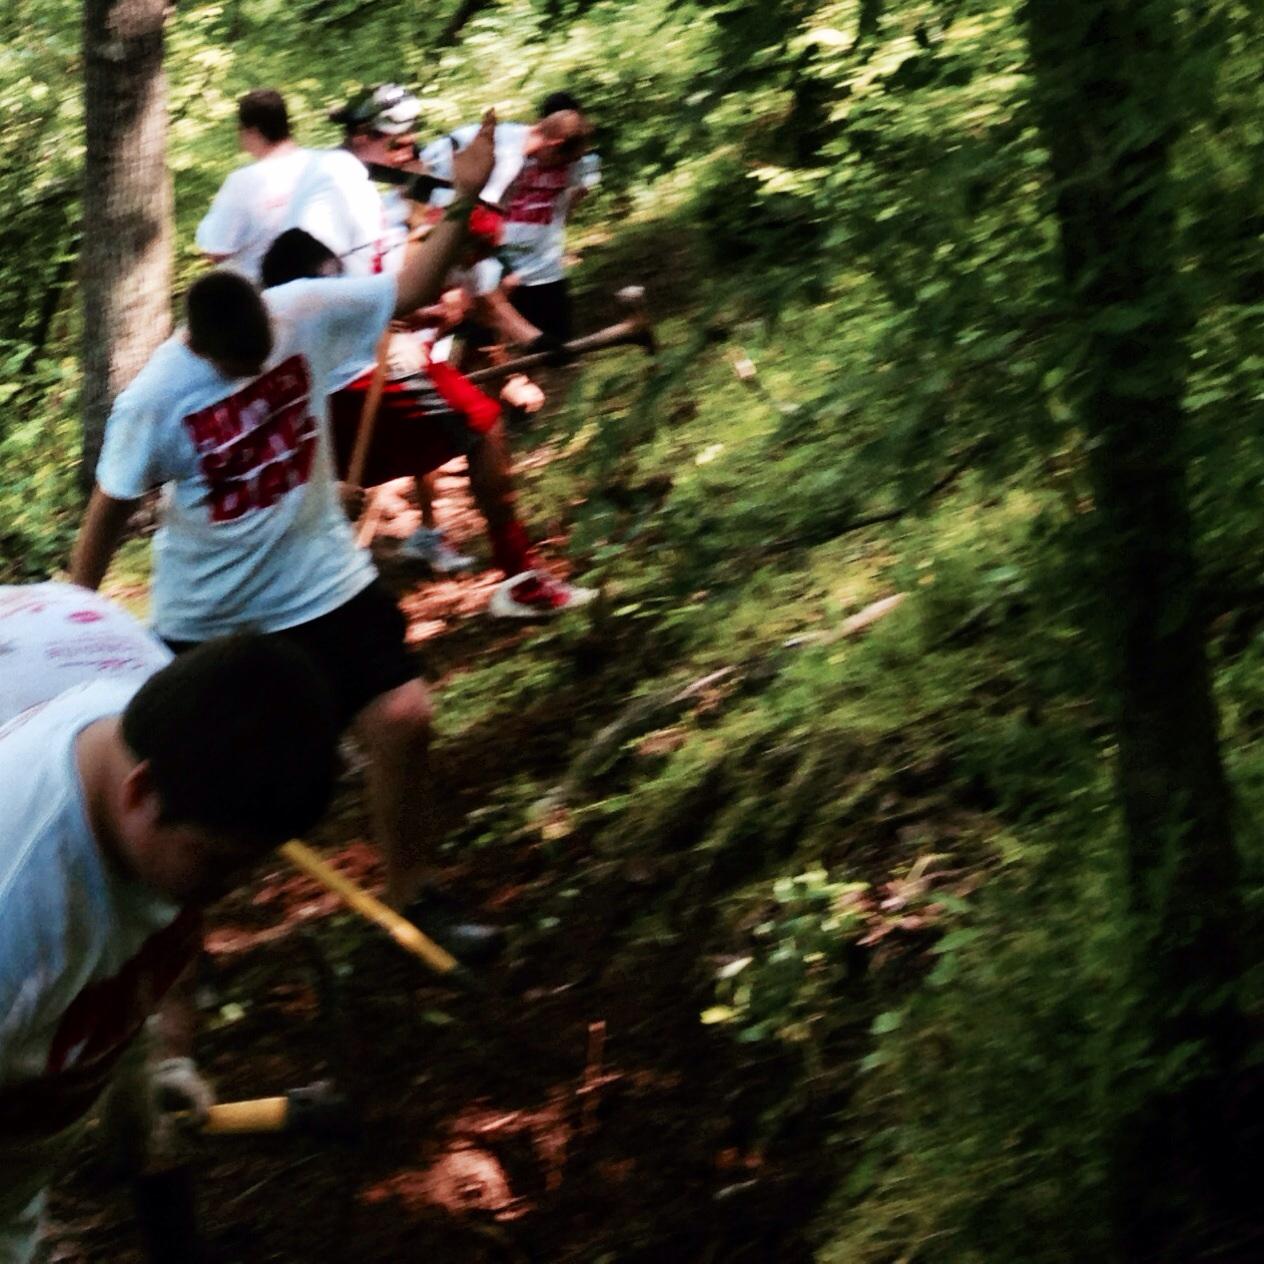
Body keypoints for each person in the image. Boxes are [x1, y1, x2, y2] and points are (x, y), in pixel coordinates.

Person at [70, 112, 504, 959]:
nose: (269, 363)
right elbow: (106, 513)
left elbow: (411, 289)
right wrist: (71, 622)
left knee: (405, 717)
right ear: (199, 349)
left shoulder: (296, 309)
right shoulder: (155, 400)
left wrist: (464, 198)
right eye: (245, 366)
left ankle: (415, 893)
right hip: (210, 619)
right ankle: (167, 974)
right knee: (190, 804)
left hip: (322, 581)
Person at [0, 582, 340, 1264]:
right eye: (216, 864)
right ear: (140, 790)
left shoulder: (172, 712)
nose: (224, 892)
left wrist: (150, 1060)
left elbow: (162, 923)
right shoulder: (18, 905)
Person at [261, 224, 592, 617]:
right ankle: (520, 577)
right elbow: (400, 299)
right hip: (363, 388)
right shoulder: (317, 293)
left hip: (312, 416)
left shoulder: (265, 316)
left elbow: (399, 309)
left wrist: (432, 316)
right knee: (483, 424)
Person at [420, 100, 596, 342]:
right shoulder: (504, 153)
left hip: (475, 248)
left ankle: (532, 343)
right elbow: (476, 220)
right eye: (562, 161)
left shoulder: (517, 148)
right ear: (555, 143)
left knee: (494, 295)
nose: (560, 168)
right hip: (449, 242)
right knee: (477, 302)